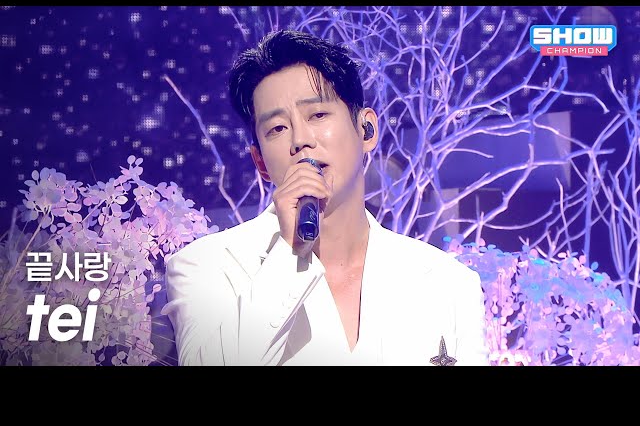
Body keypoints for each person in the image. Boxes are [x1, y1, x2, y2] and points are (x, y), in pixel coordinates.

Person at [161, 29, 490, 366]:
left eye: (317, 115)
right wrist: (289, 252)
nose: (300, 140)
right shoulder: (205, 267)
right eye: (277, 128)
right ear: (260, 162)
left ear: (366, 129)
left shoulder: (450, 284)